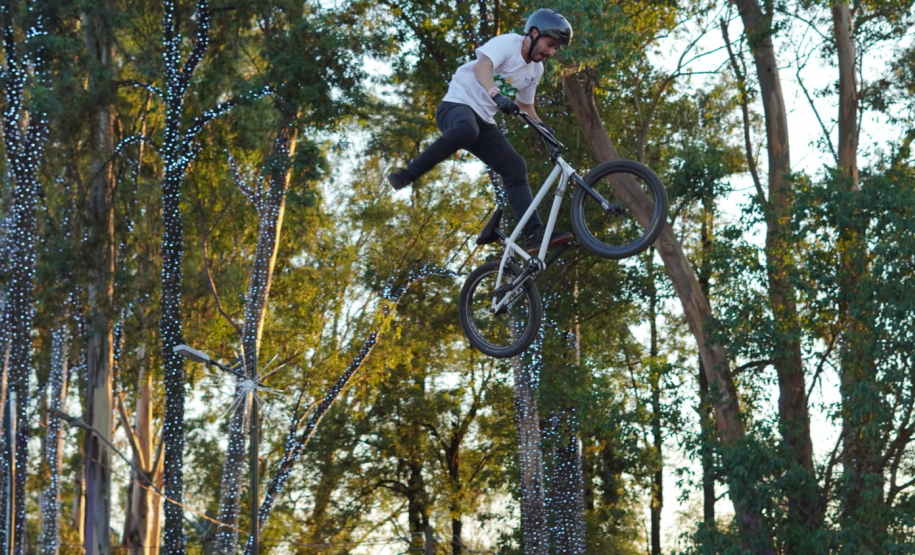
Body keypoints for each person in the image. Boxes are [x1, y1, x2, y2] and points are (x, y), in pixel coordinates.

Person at [387, 9, 575, 253]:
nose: (550, 52)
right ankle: (406, 175)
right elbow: (482, 67)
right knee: (467, 130)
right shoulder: (508, 43)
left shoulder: (535, 71)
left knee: (514, 165)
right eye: (549, 44)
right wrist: (495, 93)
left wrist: (543, 129)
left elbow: (525, 105)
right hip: (456, 105)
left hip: (484, 121)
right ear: (534, 32)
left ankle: (535, 234)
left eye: (555, 49)